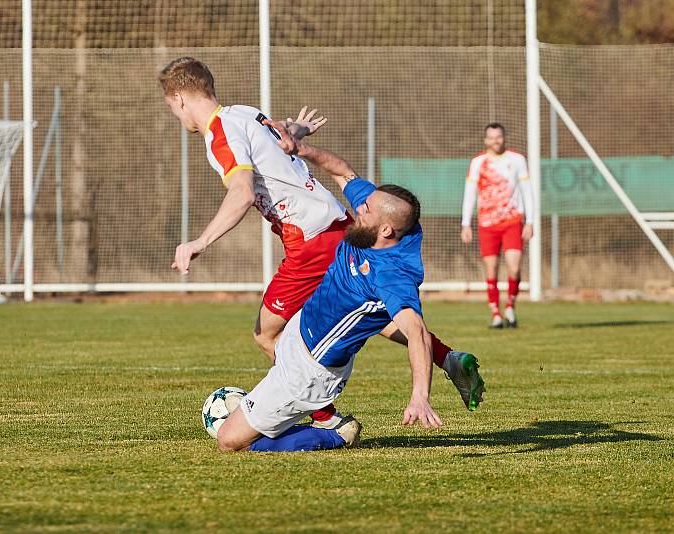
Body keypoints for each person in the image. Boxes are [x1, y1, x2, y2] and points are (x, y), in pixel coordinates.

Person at [158, 57, 478, 428]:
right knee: (367, 312)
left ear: (180, 98)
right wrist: (299, 130)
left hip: (308, 240)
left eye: (170, 106)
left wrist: (200, 240)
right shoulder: (244, 113)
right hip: (337, 222)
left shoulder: (220, 136)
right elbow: (279, 136)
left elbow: (242, 193)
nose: (174, 113)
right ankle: (448, 358)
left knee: (267, 334)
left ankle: (324, 417)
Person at [215, 121, 485, 452]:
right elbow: (344, 173)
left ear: (385, 230)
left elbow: (416, 332)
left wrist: (419, 396)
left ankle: (335, 432)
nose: (357, 207)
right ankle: (451, 359)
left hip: (312, 370)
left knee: (230, 441)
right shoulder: (383, 219)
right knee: (323, 323)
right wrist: (300, 149)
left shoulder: (392, 275)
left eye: (365, 209)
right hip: (301, 332)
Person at [461, 123, 535, 328]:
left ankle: (510, 306)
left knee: (514, 267)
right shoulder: (478, 163)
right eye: (491, 137)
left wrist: (530, 221)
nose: (496, 141)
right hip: (487, 224)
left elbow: (528, 191)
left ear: (504, 138)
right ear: (486, 140)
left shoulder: (517, 160)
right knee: (491, 269)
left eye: (499, 137)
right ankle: (495, 312)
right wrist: (465, 223)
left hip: (512, 221)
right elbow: (470, 194)